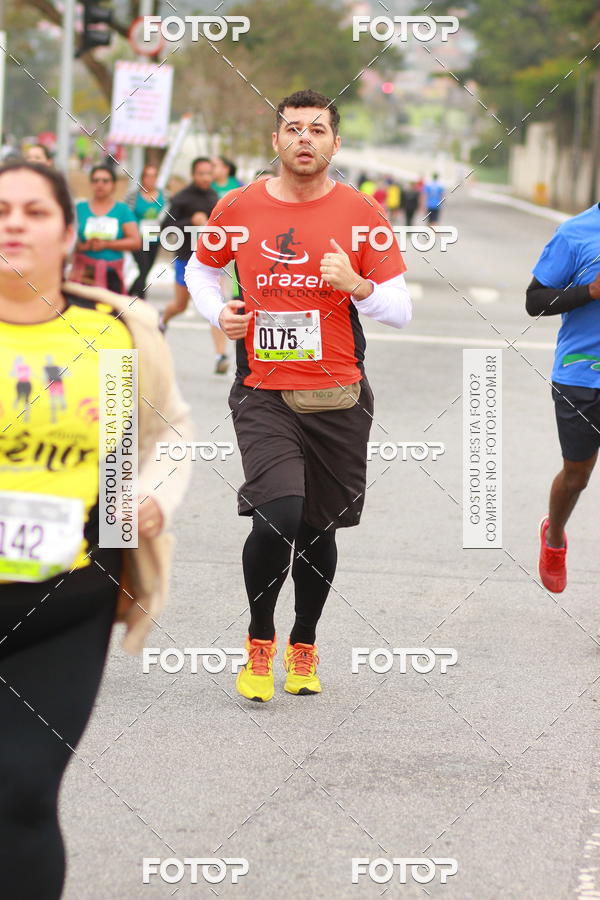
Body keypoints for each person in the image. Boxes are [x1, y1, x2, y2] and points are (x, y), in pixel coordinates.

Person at [0, 160, 192, 899]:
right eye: (2, 209)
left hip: (63, 605)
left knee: (19, 791)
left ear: (66, 233)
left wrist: (149, 500)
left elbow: (161, 435)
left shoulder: (111, 335)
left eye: (34, 211)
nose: (14, 222)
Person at [186, 88, 412, 702]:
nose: (304, 138)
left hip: (338, 395)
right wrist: (221, 311)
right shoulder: (237, 206)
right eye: (293, 129)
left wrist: (358, 284)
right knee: (279, 514)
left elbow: (401, 308)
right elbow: (199, 269)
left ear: (335, 143)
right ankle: (261, 637)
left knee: (318, 530)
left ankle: (304, 643)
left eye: (317, 129)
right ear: (276, 140)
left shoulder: (363, 212)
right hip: (263, 390)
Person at [526, 203, 600, 593]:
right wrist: (589, 290)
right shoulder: (576, 232)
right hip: (581, 377)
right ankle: (554, 536)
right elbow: (534, 301)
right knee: (577, 477)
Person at [159, 157, 217, 334]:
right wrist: (190, 222)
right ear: (193, 175)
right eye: (201, 174)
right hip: (185, 257)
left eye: (209, 173)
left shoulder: (214, 196)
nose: (206, 178)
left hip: (211, 259)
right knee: (180, 305)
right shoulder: (181, 198)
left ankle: (221, 355)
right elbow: (166, 228)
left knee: (216, 307)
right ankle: (162, 320)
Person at [71, 165, 140, 293]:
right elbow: (67, 240)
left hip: (112, 274)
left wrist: (106, 244)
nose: (100, 184)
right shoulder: (79, 208)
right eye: (96, 181)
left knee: (110, 312)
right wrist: (84, 246)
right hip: (83, 273)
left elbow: (135, 241)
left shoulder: (122, 210)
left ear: (113, 185)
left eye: (105, 181)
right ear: (91, 184)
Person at [210, 155, 243, 373]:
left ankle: (242, 352)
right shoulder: (208, 187)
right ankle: (221, 353)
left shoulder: (238, 187)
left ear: (226, 167)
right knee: (217, 300)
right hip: (213, 247)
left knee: (236, 299)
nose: (211, 169)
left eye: (215, 165)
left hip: (236, 247)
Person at [126, 163, 166, 299]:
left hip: (155, 238)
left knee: (146, 270)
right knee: (143, 268)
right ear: (143, 178)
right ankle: (141, 299)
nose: (151, 179)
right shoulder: (133, 196)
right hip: (137, 239)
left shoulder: (164, 196)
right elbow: (126, 215)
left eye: (154, 176)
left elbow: (169, 216)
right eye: (148, 176)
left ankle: (128, 295)